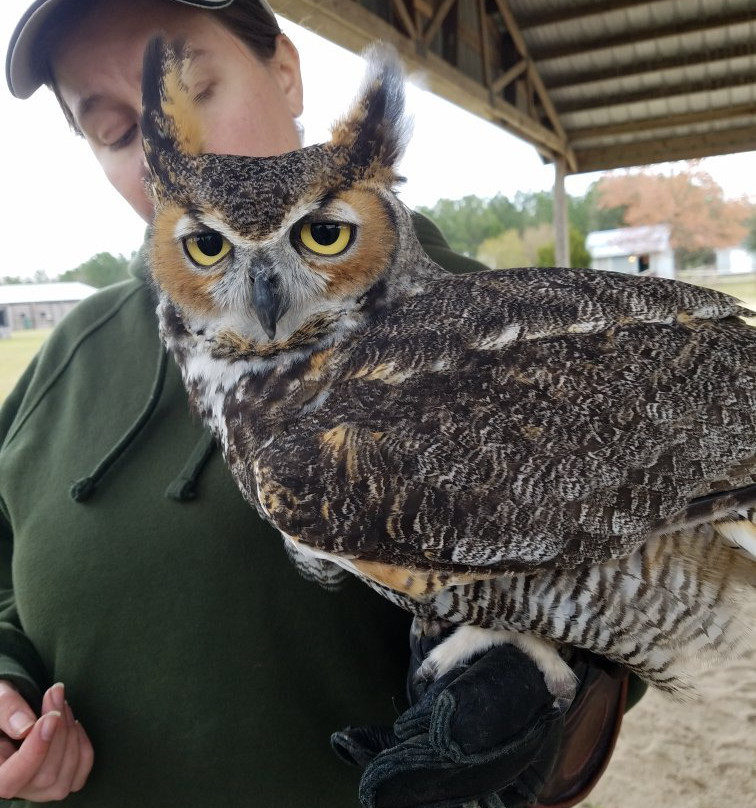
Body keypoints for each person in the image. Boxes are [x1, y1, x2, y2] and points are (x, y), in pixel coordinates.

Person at [2, 1, 639, 805]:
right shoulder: (73, 349)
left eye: (193, 92)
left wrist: (550, 679)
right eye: (122, 135)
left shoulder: (503, 328)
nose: (173, 162)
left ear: (285, 70)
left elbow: (631, 584)